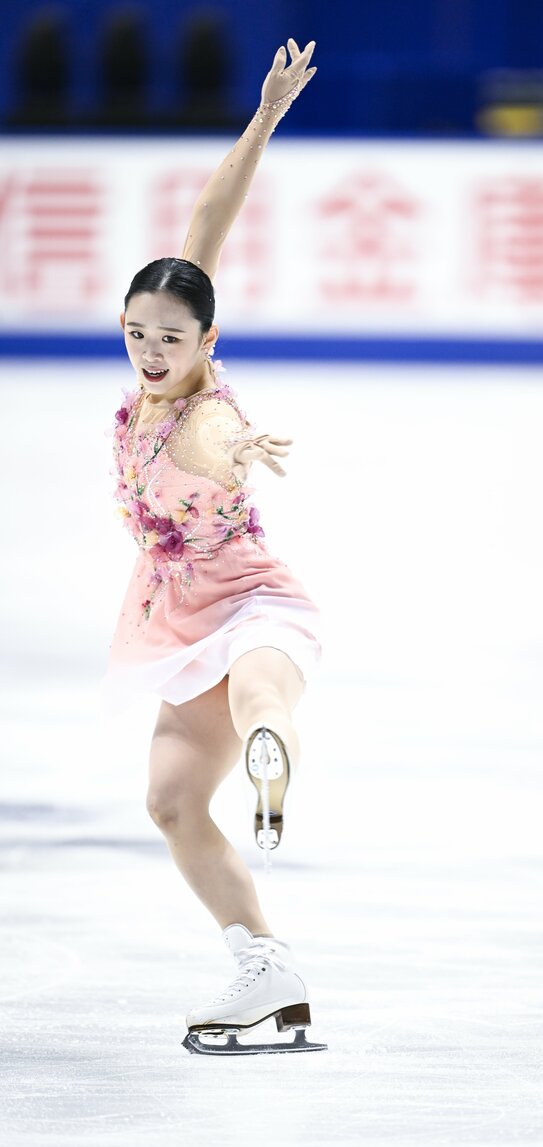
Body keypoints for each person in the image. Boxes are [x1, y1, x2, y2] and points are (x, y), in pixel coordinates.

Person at [103, 39, 326, 1055]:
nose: (152, 353)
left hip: (253, 605)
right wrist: (266, 117)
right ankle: (265, 971)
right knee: (171, 798)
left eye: (172, 340)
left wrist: (244, 441)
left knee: (260, 697)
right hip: (183, 613)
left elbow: (216, 440)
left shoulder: (203, 415)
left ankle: (275, 750)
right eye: (138, 334)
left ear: (210, 344)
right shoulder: (166, 345)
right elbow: (207, 222)